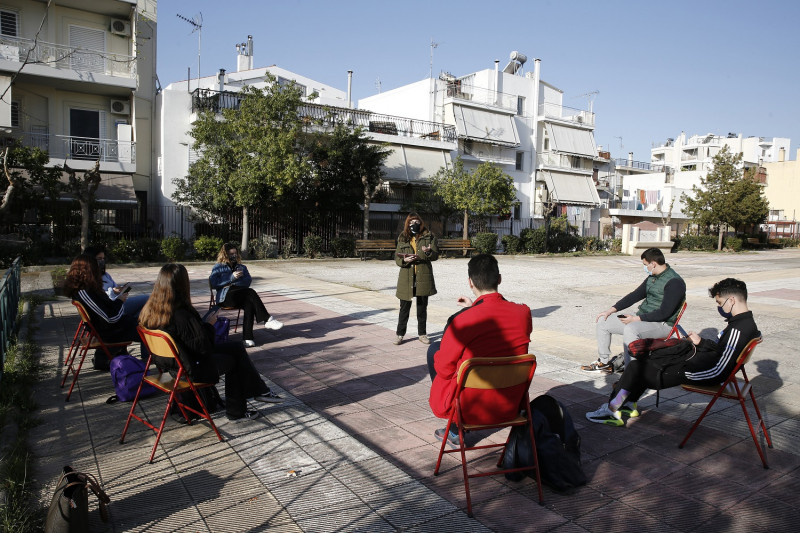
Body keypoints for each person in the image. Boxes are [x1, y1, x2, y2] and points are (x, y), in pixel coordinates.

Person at [586, 278, 760, 426]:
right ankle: (627, 403)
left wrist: (683, 368)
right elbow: (722, 353)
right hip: (703, 365)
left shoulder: (740, 329)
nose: (719, 307)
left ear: (731, 300)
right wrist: (701, 343)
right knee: (647, 362)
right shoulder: (743, 324)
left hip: (703, 372)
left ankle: (612, 409)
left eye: (720, 303)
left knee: (637, 368)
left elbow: (719, 369)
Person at [139, 263, 283, 422]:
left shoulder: (151, 310)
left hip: (173, 364)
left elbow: (188, 340)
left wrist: (200, 326)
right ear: (182, 285)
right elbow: (203, 347)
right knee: (235, 360)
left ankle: (260, 391)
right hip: (191, 368)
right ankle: (238, 411)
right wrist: (208, 325)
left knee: (236, 347)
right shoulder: (181, 314)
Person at [428, 254, 532, 448]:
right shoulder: (524, 313)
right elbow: (501, 315)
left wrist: (472, 310)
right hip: (511, 403)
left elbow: (444, 369)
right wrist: (476, 307)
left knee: (436, 350)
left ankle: (454, 428)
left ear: (470, 283)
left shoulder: (462, 321)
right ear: (499, 279)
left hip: (471, 407)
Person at [582, 247, 685, 374]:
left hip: (663, 324)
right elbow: (635, 295)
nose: (645, 268)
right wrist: (610, 310)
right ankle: (603, 362)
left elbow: (664, 313)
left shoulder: (674, 282)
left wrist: (635, 319)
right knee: (604, 322)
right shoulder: (653, 277)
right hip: (642, 318)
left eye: (645, 265)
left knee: (631, 329)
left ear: (653, 264)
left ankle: (630, 372)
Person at [64, 254, 146, 370]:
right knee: (151, 329)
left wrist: (118, 300)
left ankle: (151, 358)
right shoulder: (85, 292)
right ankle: (157, 360)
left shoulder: (87, 289)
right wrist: (119, 301)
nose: (98, 269)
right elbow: (110, 318)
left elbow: (106, 309)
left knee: (147, 320)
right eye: (95, 267)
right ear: (88, 270)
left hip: (113, 327)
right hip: (111, 332)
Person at [209, 243, 283, 348]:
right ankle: (267, 319)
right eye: (231, 254)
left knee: (249, 303)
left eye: (235, 253)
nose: (233, 256)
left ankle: (247, 338)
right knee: (250, 292)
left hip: (241, 295)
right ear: (225, 255)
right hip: (225, 297)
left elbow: (247, 282)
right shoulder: (218, 267)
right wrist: (231, 278)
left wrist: (234, 282)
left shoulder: (242, 267)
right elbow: (214, 283)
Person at [394, 213, 439, 345]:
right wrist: (405, 260)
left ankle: (422, 334)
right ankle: (400, 334)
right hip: (406, 277)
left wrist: (428, 252)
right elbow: (397, 259)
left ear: (421, 223)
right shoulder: (402, 237)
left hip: (423, 276)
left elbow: (435, 255)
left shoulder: (429, 236)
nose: (414, 224)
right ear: (407, 224)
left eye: (416, 222)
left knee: (422, 308)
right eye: (411, 222)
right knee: (404, 308)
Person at [83, 246, 149, 317]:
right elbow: (99, 297)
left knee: (143, 311)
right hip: (113, 306)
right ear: (90, 260)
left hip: (118, 302)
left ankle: (135, 323)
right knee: (147, 299)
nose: (102, 261)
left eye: (103, 258)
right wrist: (112, 291)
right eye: (99, 259)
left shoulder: (105, 275)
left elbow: (115, 287)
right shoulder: (88, 279)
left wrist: (120, 290)